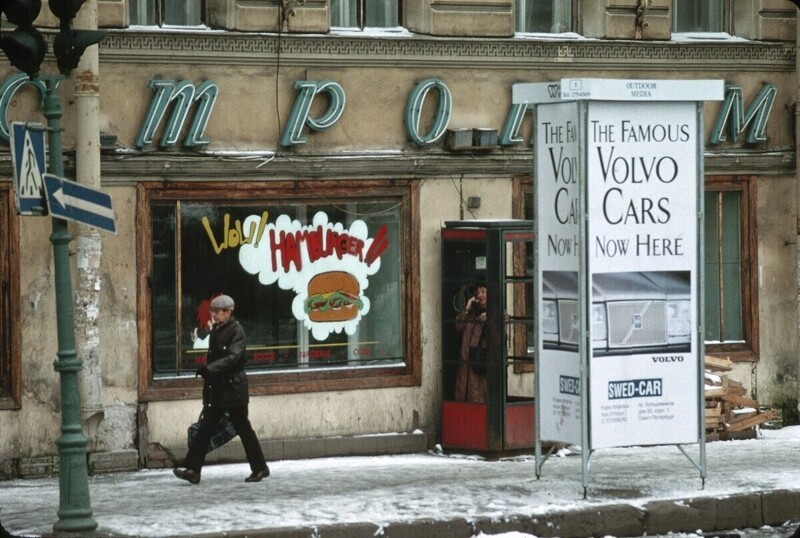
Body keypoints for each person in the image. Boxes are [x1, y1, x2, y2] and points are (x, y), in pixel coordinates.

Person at [173, 294, 270, 484]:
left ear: (228, 312)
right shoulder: (217, 330)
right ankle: (193, 470)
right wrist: (209, 374)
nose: (214, 315)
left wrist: (209, 369)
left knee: (243, 429)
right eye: (213, 312)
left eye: (217, 312)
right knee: (205, 428)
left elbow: (233, 358)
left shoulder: (237, 331)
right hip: (218, 389)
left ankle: (260, 468)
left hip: (234, 390)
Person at [454, 283, 488, 403]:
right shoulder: (472, 314)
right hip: (466, 361)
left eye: (483, 291)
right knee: (463, 394)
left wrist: (485, 319)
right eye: (478, 292)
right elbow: (458, 326)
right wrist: (468, 307)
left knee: (477, 395)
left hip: (480, 362)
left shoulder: (496, 313)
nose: (480, 295)